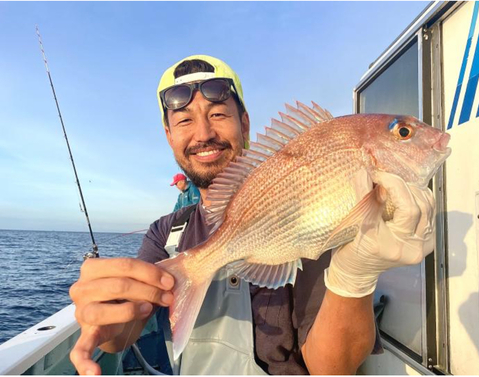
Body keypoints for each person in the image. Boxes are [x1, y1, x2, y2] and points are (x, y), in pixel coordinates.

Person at [69, 55, 436, 375]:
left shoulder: (324, 214)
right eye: (183, 121)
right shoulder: (165, 234)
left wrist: (355, 275)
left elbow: (333, 370)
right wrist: (105, 324)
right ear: (168, 135)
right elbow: (130, 326)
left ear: (245, 124)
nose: (204, 133)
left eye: (218, 114)